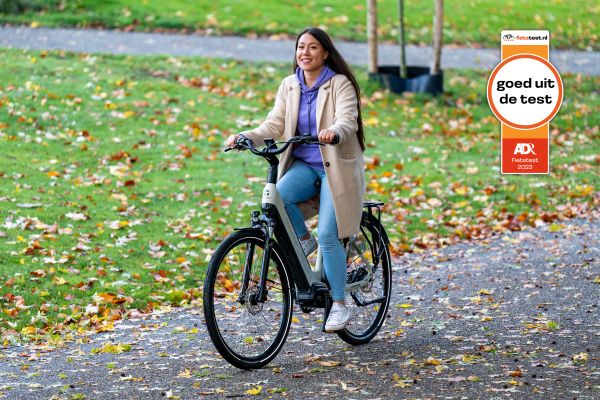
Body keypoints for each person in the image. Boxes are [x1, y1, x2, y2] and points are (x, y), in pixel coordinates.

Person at [226, 27, 366, 332]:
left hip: (335, 169)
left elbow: (347, 119)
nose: (305, 52)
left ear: (325, 53)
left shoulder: (339, 84)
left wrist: (334, 132)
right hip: (303, 164)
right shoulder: (289, 85)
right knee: (276, 201)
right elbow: (273, 124)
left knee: (330, 235)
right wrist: (245, 136)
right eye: (301, 47)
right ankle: (304, 239)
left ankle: (339, 305)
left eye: (312, 47)